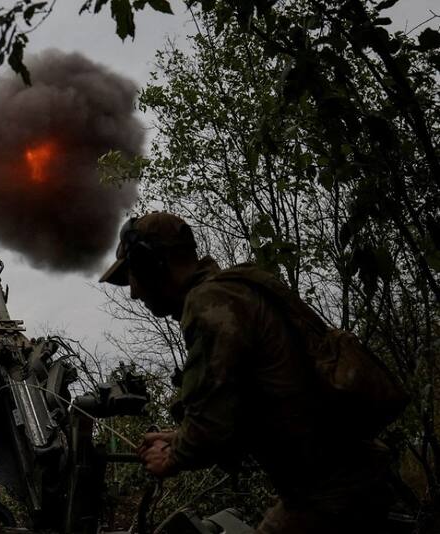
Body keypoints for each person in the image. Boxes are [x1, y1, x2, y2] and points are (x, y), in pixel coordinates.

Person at [100, 212, 397, 534]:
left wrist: (171, 458)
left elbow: (210, 424)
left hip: (330, 489)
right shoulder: (236, 290)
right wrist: (177, 438)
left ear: (149, 264)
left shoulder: (209, 304)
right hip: (346, 476)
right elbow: (252, 409)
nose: (133, 292)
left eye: (132, 276)